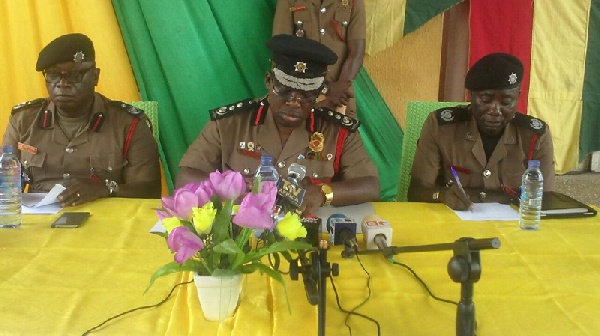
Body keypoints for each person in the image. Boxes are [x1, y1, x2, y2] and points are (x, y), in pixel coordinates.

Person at [177, 34, 379, 215]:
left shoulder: (337, 131)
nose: (294, 102)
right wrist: (230, 187)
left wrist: (323, 193)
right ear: (269, 81)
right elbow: (186, 176)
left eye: (306, 95)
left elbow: (370, 185)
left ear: (319, 94)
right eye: (284, 91)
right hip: (242, 234)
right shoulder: (229, 124)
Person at [2, 33, 161, 207]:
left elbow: (149, 191)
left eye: (74, 75)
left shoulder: (128, 124)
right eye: (53, 75)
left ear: (95, 76)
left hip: (108, 222)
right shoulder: (23, 120)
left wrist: (104, 188)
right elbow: (4, 183)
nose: (62, 84)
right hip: (39, 223)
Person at [408, 53, 555, 210]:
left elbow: (546, 199)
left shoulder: (535, 135)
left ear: (518, 96)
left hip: (513, 227)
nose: (495, 110)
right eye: (485, 100)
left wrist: (481, 197)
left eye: (506, 102)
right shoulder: (442, 127)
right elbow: (416, 191)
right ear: (470, 95)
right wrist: (441, 195)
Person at [272, 0, 366, 118]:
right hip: (299, 97)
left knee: (343, 135)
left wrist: (338, 91)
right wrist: (325, 89)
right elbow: (281, 48)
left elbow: (356, 53)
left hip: (340, 99)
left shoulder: (353, 2)